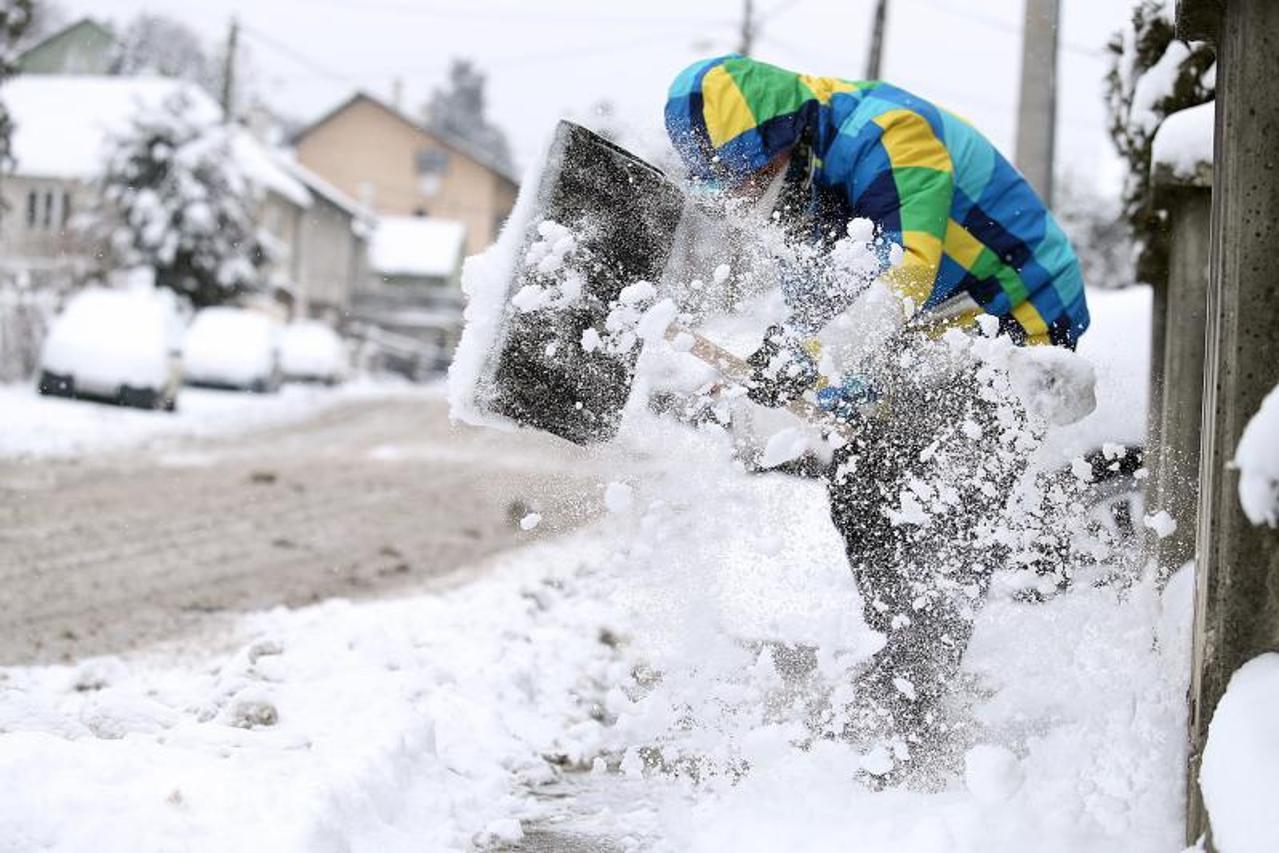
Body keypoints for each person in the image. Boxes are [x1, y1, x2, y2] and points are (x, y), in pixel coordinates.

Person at [664, 55, 1092, 782]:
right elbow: (831, 330)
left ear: (783, 137)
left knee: (944, 505)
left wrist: (813, 357)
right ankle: (912, 679)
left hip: (1016, 326)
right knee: (862, 485)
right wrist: (813, 384)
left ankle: (919, 717)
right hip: (932, 343)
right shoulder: (797, 204)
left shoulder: (891, 134)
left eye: (744, 171)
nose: (738, 192)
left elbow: (905, 277)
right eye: (723, 181)